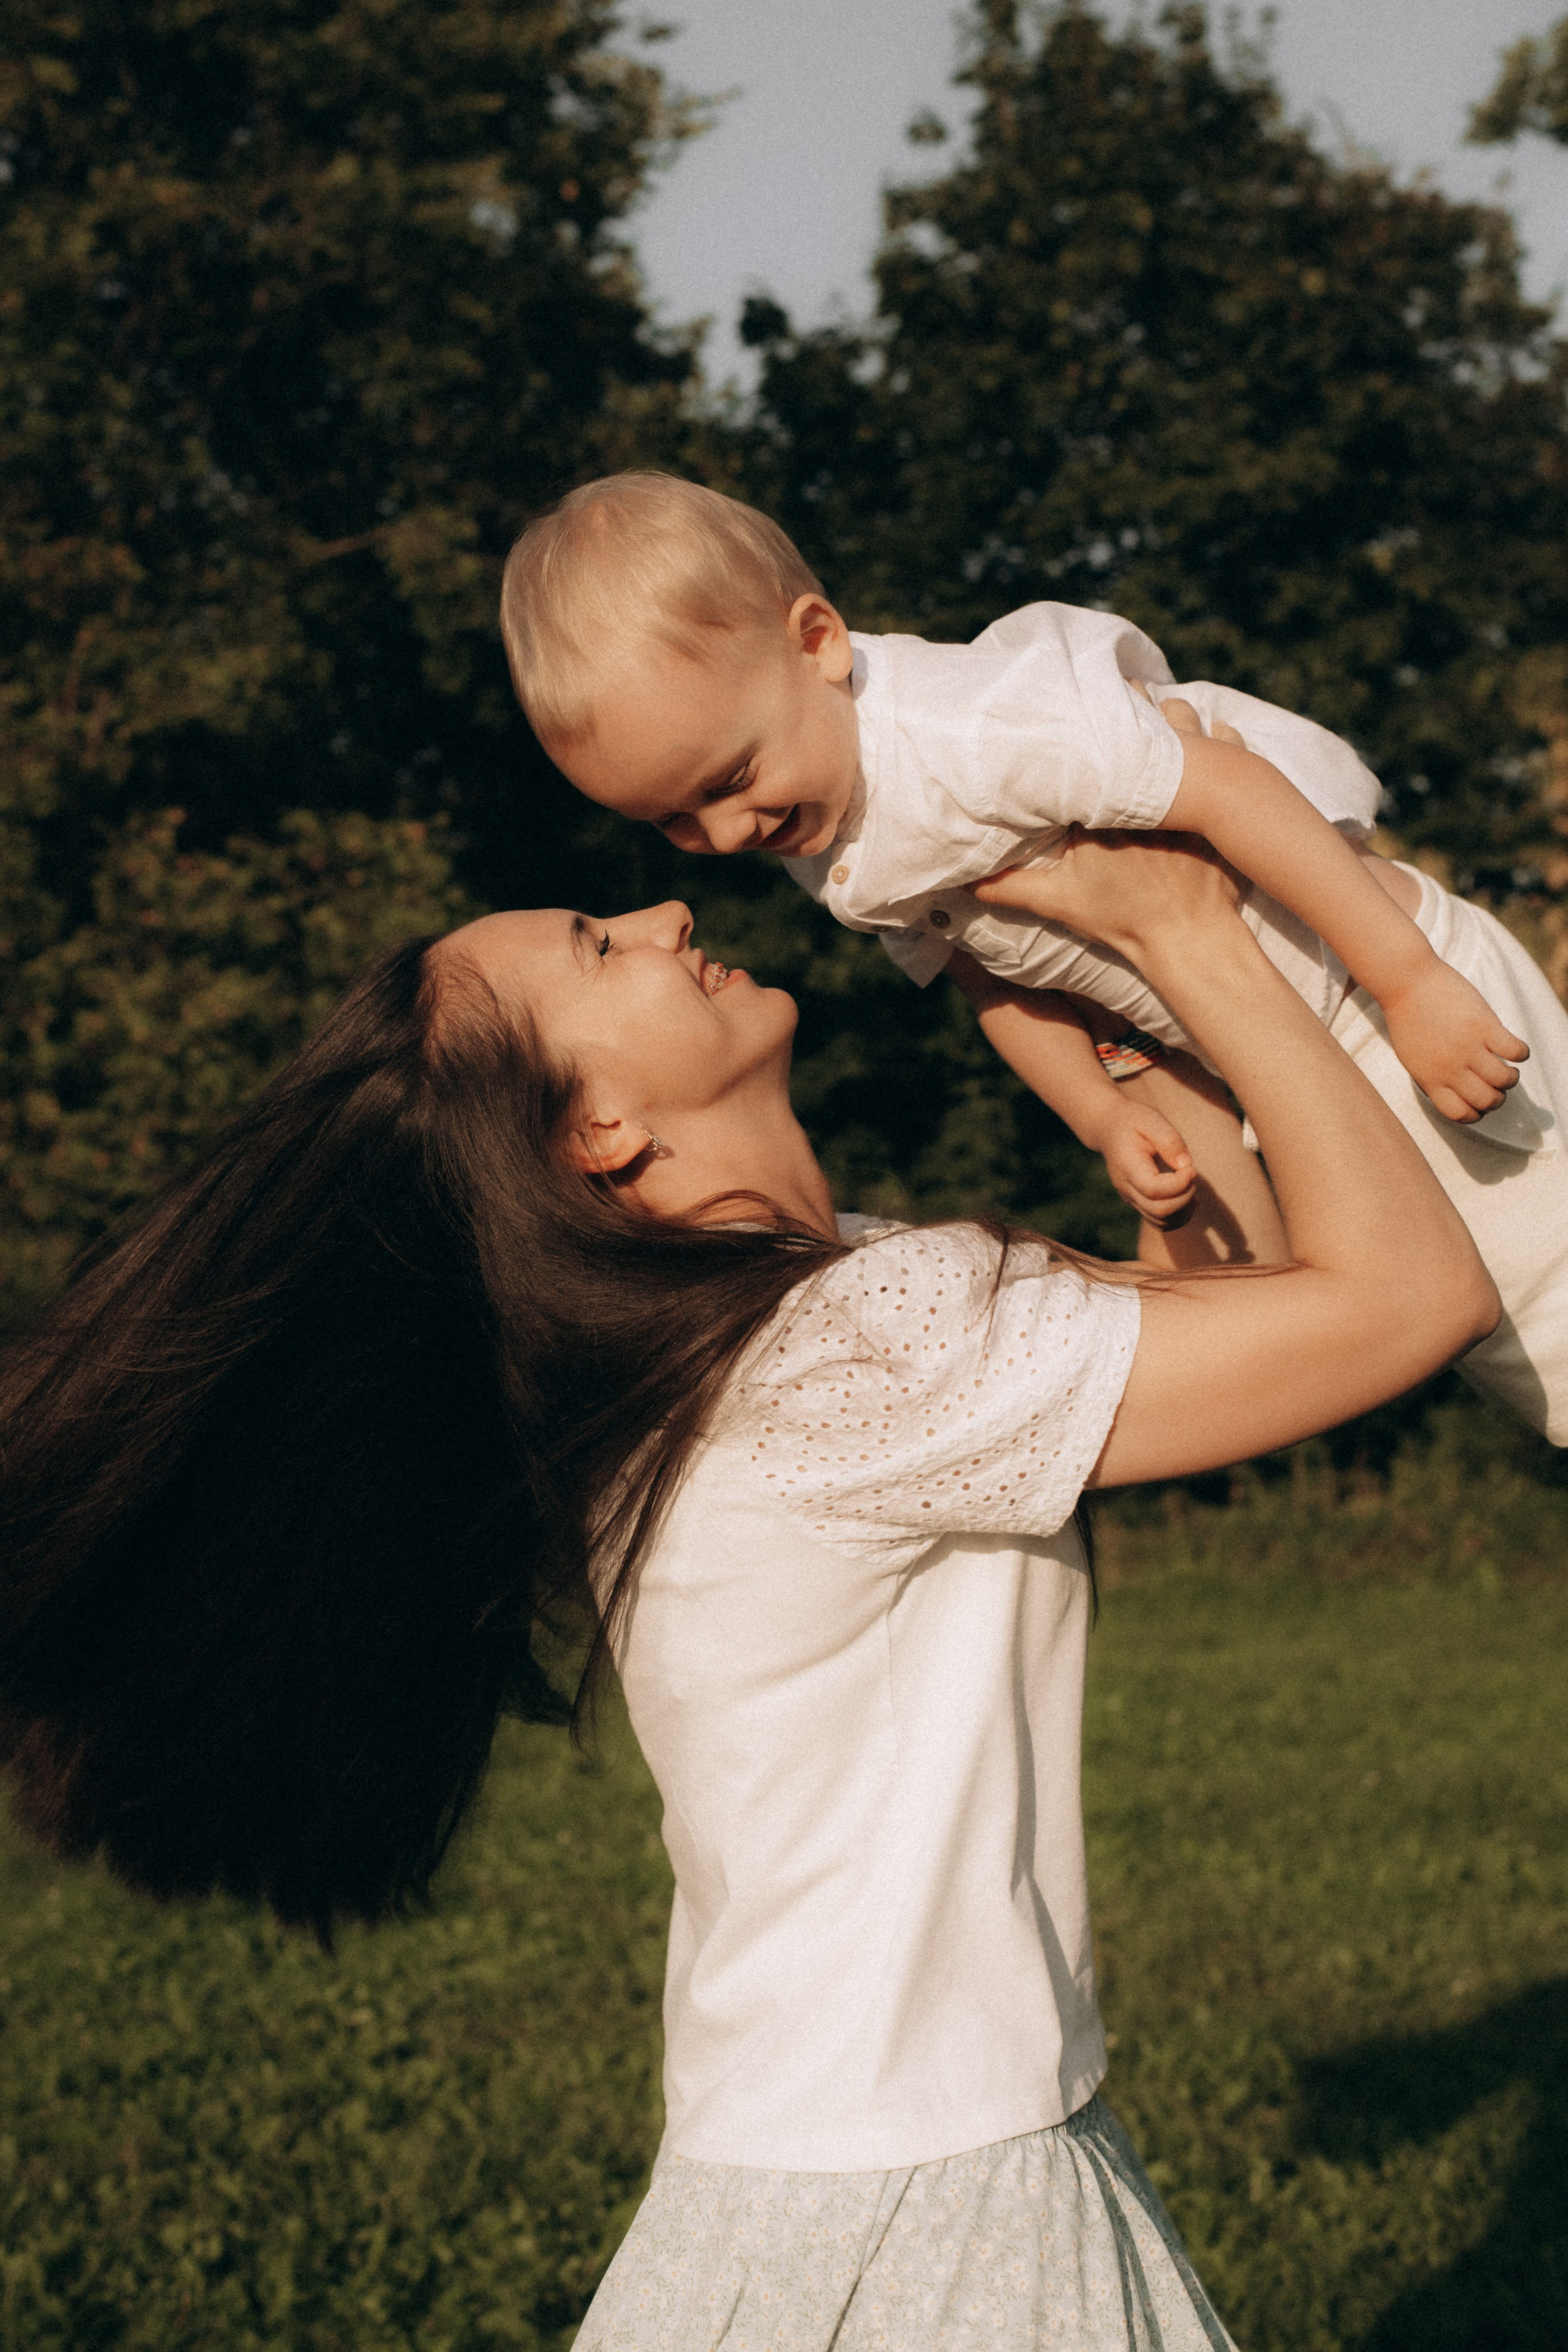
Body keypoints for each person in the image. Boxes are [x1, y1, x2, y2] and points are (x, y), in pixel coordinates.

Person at [0, 827, 1494, 2346]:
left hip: (826, 2146)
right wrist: (1190, 936)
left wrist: (1154, 1116)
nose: (662, 910)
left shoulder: (762, 1332)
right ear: (595, 1129)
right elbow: (1408, 1297)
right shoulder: (853, 1345)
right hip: (926, 2180)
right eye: (597, 944)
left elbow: (1244, 1322)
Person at [499, 470, 1568, 1439]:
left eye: (729, 780)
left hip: (1373, 994)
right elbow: (985, 973)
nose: (724, 837)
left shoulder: (978, 736)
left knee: (1549, 1308)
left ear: (817, 641)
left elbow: (1228, 788)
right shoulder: (819, 824)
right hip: (1272, 1053)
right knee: (1501, 1353)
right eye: (675, 822)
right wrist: (1102, 1114)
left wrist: (1411, 980)